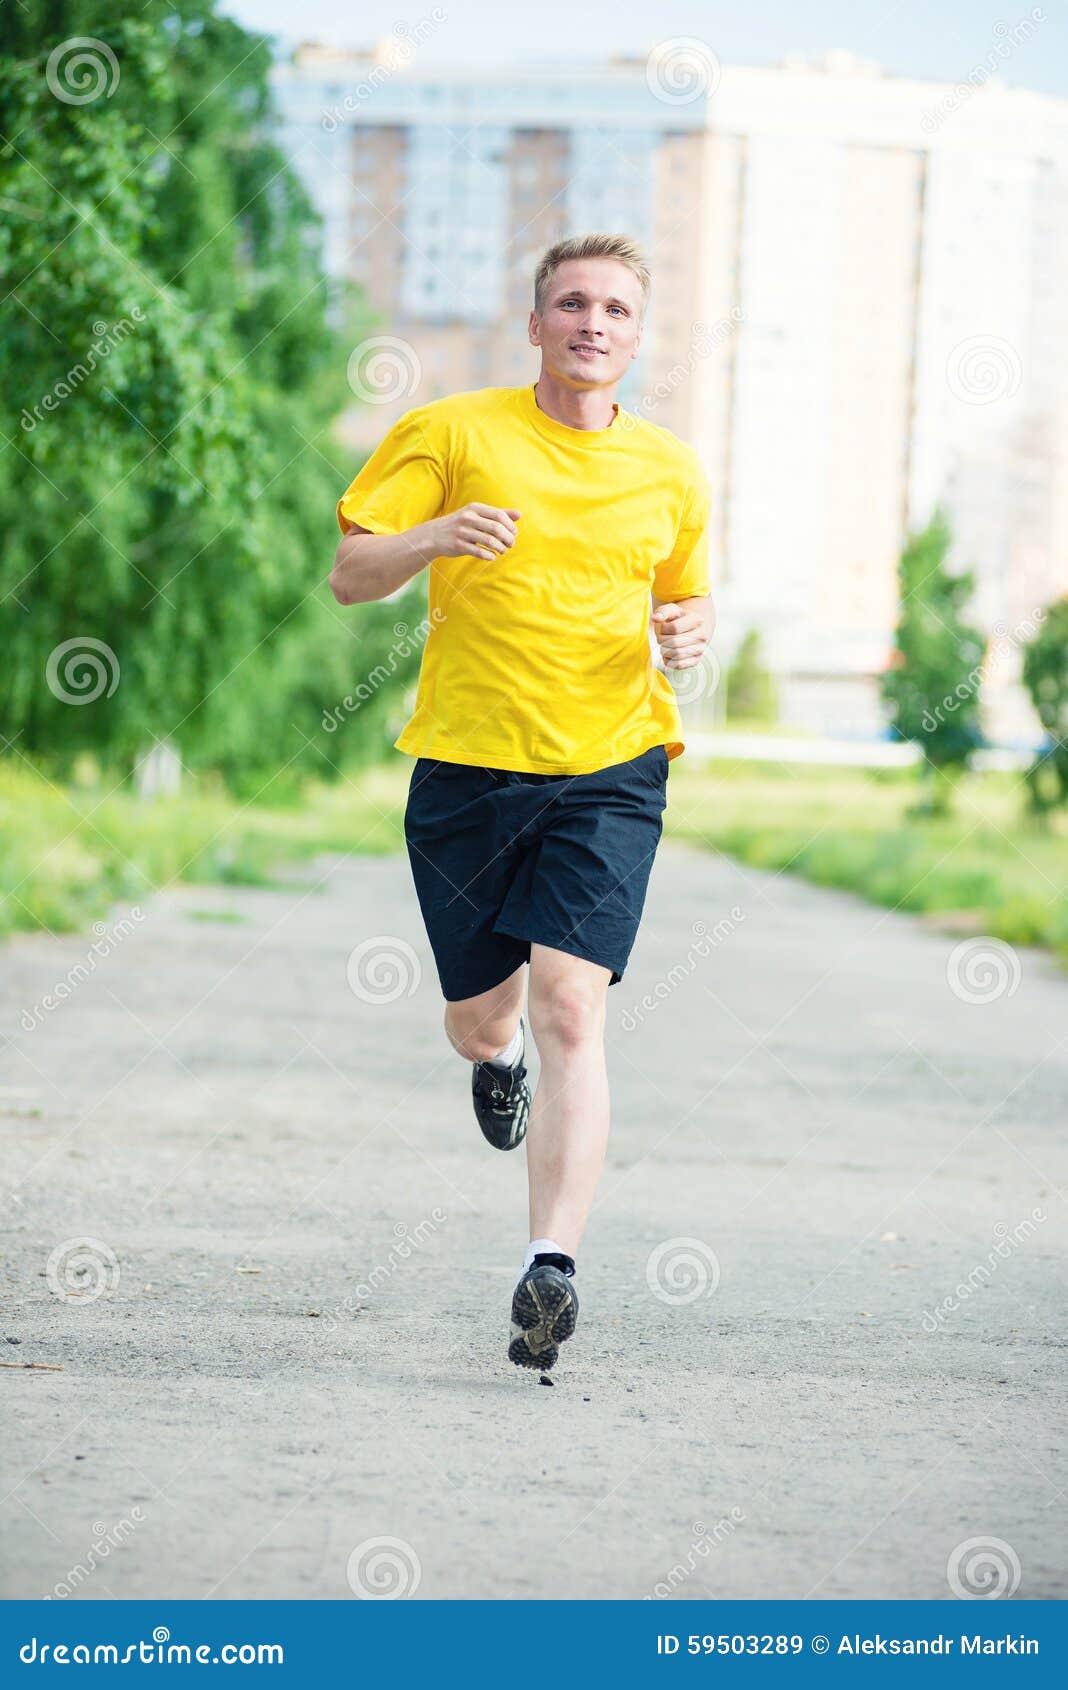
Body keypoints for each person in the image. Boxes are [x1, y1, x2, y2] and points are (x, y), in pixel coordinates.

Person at [330, 232, 715, 1371]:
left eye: (617, 311)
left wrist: (693, 632)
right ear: (535, 320)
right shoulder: (452, 434)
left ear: (637, 339)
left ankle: (550, 1263)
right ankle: (491, 1068)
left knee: (570, 1008)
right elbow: (351, 573)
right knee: (487, 1021)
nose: (595, 323)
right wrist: (435, 536)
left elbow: (686, 607)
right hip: (466, 769)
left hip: (613, 766)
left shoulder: (673, 471)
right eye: (573, 304)